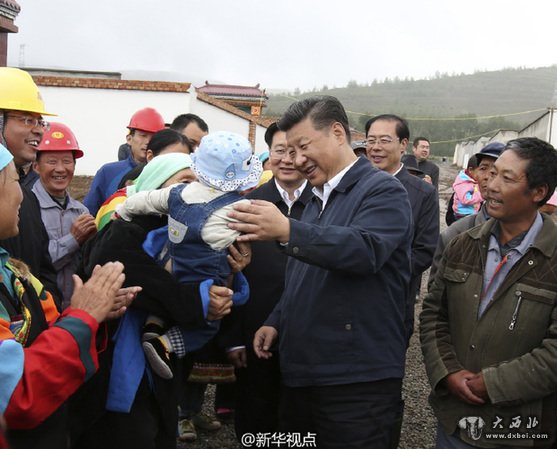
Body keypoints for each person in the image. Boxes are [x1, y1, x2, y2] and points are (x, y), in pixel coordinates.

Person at [228, 96, 413, 449]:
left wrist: (288, 231)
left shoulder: (383, 191)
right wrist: (277, 320)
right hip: (303, 375)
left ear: (338, 133)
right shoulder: (314, 199)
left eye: (303, 147)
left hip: (353, 380)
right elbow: (304, 274)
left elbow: (364, 250)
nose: (296, 160)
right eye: (290, 150)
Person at [70, 152, 242, 449]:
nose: (193, 191)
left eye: (199, 182)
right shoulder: (122, 229)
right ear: (156, 186)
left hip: (164, 366)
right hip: (114, 366)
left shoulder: (187, 237)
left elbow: (209, 294)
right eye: (184, 182)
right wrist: (198, 300)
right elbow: (144, 280)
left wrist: (231, 272)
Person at [420, 137, 557, 449]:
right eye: (491, 173)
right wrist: (449, 372)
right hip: (455, 422)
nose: (491, 185)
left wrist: (491, 385)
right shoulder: (461, 243)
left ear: (539, 192)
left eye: (507, 178)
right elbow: (433, 315)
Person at [0, 142, 133, 449]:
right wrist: (81, 318)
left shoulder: (13, 270)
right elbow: (17, 392)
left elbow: (46, 329)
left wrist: (91, 314)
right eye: (13, 182)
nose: (22, 194)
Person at [117, 131, 262, 378]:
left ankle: (154, 324)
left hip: (173, 265)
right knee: (209, 324)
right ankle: (163, 346)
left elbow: (145, 200)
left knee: (166, 288)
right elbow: (260, 229)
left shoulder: (177, 194)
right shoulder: (239, 209)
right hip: (206, 277)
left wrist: (124, 210)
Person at [225, 122, 313, 440]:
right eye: (280, 150)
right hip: (255, 331)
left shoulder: (325, 205)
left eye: (296, 151)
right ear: (268, 154)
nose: (288, 159)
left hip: (309, 335)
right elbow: (230, 275)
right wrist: (234, 336)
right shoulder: (246, 206)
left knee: (302, 419)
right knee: (256, 414)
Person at [365, 114, 439, 342]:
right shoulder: (352, 186)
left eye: (384, 140)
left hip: (394, 299)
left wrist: (378, 271)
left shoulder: (422, 193)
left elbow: (425, 250)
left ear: (403, 145)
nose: (376, 148)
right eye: (371, 140)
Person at [0, 67, 62, 305]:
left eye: (40, 121)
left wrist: (47, 312)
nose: (38, 129)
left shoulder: (30, 197)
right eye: (27, 119)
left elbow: (44, 271)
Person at [32, 123, 97, 308]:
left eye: (67, 161)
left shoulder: (81, 212)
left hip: (76, 310)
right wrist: (74, 239)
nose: (60, 169)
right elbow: (31, 264)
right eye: (52, 161)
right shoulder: (27, 209)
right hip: (41, 311)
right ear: (36, 166)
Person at [429, 142, 505, 286]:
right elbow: (436, 296)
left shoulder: (537, 237)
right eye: (483, 168)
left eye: (497, 170)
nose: (488, 177)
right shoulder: (455, 234)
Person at [96, 129, 194, 230]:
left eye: (184, 160)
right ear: (150, 157)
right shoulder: (122, 204)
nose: (179, 166)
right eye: (170, 159)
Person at [83, 107, 166, 216]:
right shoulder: (108, 172)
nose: (147, 142)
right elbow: (89, 214)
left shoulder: (166, 174)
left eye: (153, 137)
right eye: (143, 135)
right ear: (129, 139)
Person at [451, 155, 482, 221]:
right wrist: (481, 196)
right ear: (470, 170)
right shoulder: (462, 183)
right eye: (480, 171)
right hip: (463, 214)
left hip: (471, 212)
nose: (482, 175)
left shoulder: (473, 180)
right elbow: (466, 200)